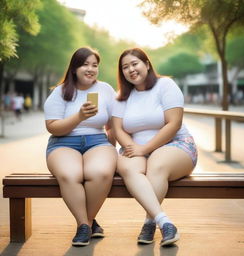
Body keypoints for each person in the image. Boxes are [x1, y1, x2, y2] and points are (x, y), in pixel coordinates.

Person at [112, 48, 197, 247]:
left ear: (147, 64)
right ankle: (164, 221)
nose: (131, 69)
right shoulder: (121, 96)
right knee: (128, 169)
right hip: (135, 147)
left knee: (156, 166)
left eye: (135, 64)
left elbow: (173, 123)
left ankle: (149, 223)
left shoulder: (165, 85)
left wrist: (145, 149)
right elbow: (118, 129)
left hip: (176, 145)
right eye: (125, 67)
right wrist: (134, 147)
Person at [44, 47, 117, 246]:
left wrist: (113, 151)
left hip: (97, 142)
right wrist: (79, 117)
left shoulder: (105, 90)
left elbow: (112, 125)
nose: (90, 69)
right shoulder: (60, 92)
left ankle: (85, 224)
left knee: (100, 172)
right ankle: (85, 224)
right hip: (63, 142)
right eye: (85, 64)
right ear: (75, 67)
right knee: (70, 174)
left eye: (95, 65)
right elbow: (52, 127)